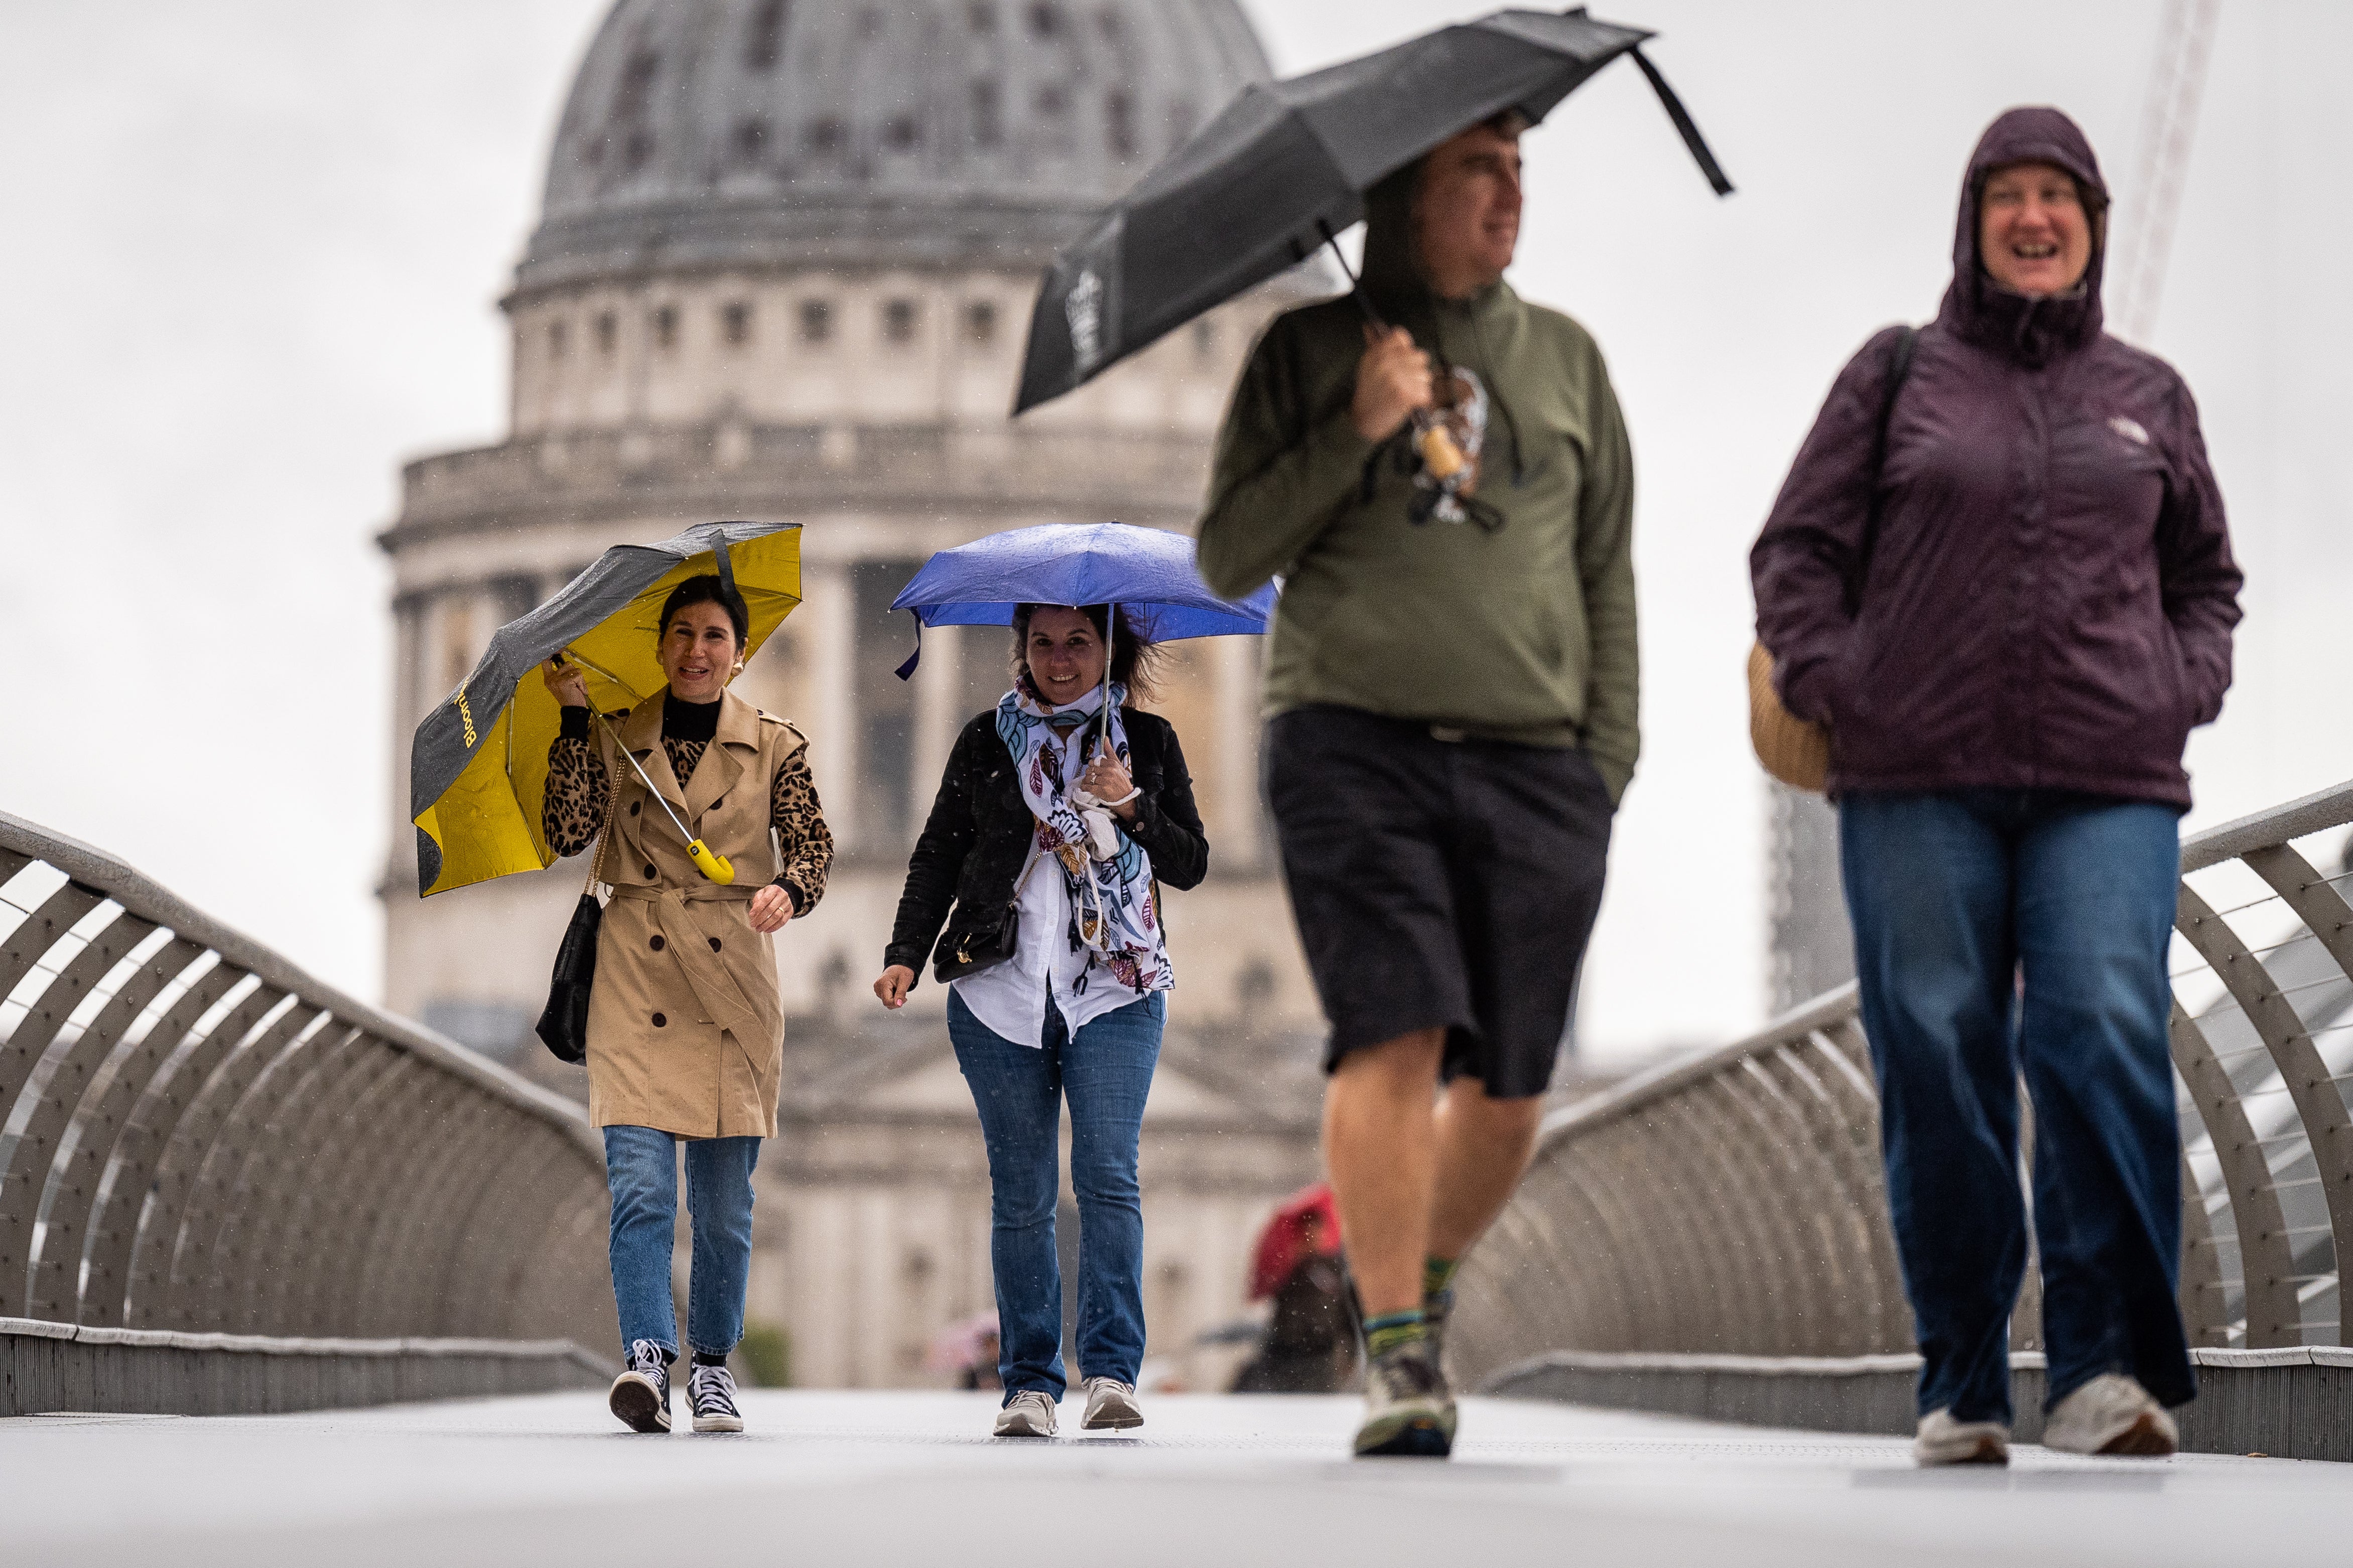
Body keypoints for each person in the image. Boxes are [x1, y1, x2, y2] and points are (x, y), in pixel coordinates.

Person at [1751, 107, 2242, 1466]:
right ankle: (1961, 1373)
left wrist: (2176, 680)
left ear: (2091, 221)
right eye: (2008, 195)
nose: (2035, 217)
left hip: (2109, 774)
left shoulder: (2151, 397)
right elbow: (1795, 549)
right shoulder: (1899, 373)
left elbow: (2210, 580)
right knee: (1940, 1052)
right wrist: (1845, 678)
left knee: (2101, 1027)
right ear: (1972, 223)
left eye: (2058, 197)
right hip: (1917, 775)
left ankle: (2099, 1366)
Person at [1197, 114, 1632, 1459]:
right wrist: (1358, 429)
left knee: (1509, 1087)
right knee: (1389, 1033)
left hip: (1537, 755)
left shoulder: (1563, 358)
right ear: (1402, 194)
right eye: (1476, 172)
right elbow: (1225, 558)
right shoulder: (1305, 355)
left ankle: (1411, 1278)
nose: (1509, 196)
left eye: (1517, 172)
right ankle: (1398, 1348)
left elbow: (1605, 567)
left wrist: (1606, 756)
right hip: (1351, 739)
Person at [873, 604, 1209, 1438]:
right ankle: (1029, 1381)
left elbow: (1190, 862)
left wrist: (1128, 801)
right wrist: (906, 952)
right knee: (1021, 1195)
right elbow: (939, 852)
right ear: (1022, 648)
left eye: (1079, 642)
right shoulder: (987, 740)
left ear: (1109, 649)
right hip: (1000, 989)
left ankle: (1110, 1372)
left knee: (1107, 1176)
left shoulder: (1150, 742)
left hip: (1118, 984)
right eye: (1044, 643)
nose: (1060, 660)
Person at [539, 574, 835, 1436]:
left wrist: (789, 890)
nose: (696, 651)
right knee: (638, 1187)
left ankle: (711, 1364)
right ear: (660, 647)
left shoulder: (776, 746)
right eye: (681, 634)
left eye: (714, 636)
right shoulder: (613, 736)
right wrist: (567, 714)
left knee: (724, 1204)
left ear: (739, 652)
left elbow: (814, 847)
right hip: (635, 971)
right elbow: (567, 831)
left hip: (732, 977)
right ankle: (645, 1359)